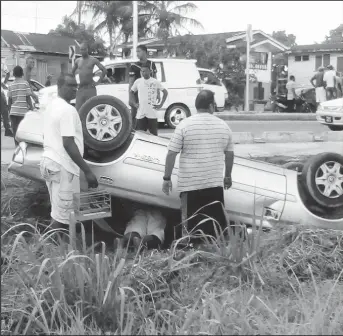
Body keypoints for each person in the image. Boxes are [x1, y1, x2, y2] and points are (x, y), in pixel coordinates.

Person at [162, 90, 234, 243]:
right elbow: (229, 154)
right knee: (214, 227)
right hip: (214, 185)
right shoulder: (223, 126)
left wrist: (167, 178)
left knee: (191, 228)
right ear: (210, 106)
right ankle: (212, 256)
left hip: (190, 187)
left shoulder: (184, 125)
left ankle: (192, 255)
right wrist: (227, 176)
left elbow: (171, 154)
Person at [40, 73, 98, 231]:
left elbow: (49, 135)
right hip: (63, 166)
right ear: (59, 87)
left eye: (76, 86)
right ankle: (53, 250)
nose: (75, 89)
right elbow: (68, 142)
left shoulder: (51, 106)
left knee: (58, 212)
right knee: (64, 218)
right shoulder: (67, 110)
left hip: (49, 162)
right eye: (70, 86)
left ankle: (58, 250)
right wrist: (87, 171)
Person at [130, 63, 168, 136]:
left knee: (154, 136)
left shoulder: (155, 81)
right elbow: (131, 92)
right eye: (142, 71)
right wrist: (134, 103)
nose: (143, 73)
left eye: (145, 71)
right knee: (139, 135)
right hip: (141, 113)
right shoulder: (138, 81)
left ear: (150, 71)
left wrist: (160, 105)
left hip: (152, 113)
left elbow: (165, 92)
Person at [72, 42, 107, 112]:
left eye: (84, 49)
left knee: (92, 109)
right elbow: (72, 72)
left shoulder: (93, 60)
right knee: (78, 110)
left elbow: (104, 70)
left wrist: (98, 81)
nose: (82, 51)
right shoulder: (78, 60)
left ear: (87, 49)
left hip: (90, 88)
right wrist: (75, 82)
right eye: (81, 49)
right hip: (81, 89)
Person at [129, 44, 158, 128]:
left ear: (145, 52)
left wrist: (158, 93)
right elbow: (131, 83)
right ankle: (135, 134)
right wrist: (131, 99)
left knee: (150, 116)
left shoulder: (152, 64)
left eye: (139, 51)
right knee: (136, 116)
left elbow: (155, 79)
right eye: (136, 52)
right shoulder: (133, 66)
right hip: (137, 95)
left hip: (149, 94)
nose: (137, 53)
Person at [7, 66, 33, 145]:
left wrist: (9, 112)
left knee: (16, 133)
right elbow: (28, 97)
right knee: (23, 132)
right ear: (22, 73)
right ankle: (22, 149)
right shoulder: (25, 83)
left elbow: (9, 100)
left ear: (14, 74)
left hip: (13, 112)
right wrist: (31, 108)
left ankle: (17, 148)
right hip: (22, 112)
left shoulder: (10, 85)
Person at [1, 59, 13, 137]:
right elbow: (8, 73)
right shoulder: (2, 63)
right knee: (5, 110)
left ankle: (7, 129)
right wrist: (3, 83)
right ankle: (7, 129)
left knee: (5, 110)